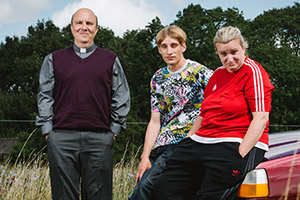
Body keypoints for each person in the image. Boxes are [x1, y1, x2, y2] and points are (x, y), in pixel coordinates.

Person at [153, 26, 275, 200]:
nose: (229, 58)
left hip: (234, 142)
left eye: (234, 52)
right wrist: (187, 141)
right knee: (164, 187)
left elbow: (261, 118)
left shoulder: (253, 72)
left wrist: (239, 154)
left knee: (209, 194)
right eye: (223, 54)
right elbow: (203, 115)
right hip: (201, 141)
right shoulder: (217, 74)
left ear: (243, 48)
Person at [35, 8, 130, 200]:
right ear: (72, 28)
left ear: (96, 29)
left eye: (89, 23)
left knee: (99, 196)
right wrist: (47, 131)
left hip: (100, 139)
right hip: (61, 139)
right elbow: (45, 95)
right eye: (79, 23)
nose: (84, 27)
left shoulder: (110, 59)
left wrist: (113, 130)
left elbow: (121, 95)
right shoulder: (53, 59)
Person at [129, 25, 213, 200]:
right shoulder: (158, 78)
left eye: (174, 45)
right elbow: (154, 121)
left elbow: (218, 104)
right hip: (162, 144)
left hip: (184, 142)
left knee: (145, 189)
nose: (169, 51)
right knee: (143, 185)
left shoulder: (200, 73)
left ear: (183, 46)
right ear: (159, 49)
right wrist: (145, 156)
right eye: (164, 46)